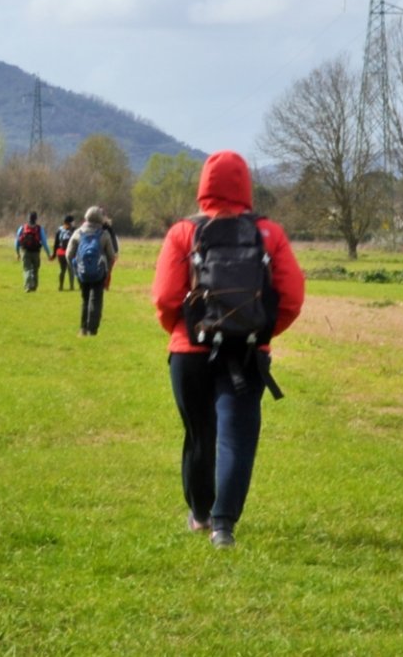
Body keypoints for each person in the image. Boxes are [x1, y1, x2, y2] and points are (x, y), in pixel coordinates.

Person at [151, 150, 305, 549]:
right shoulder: (269, 233)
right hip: (248, 352)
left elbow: (166, 298)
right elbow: (291, 297)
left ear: (204, 184)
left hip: (190, 352)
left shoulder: (183, 232)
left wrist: (185, 332)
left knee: (199, 434)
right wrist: (261, 332)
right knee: (237, 437)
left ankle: (200, 515)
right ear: (246, 185)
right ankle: (224, 528)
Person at [66, 207, 117, 336]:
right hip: (99, 272)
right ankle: (92, 330)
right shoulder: (104, 234)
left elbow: (68, 254)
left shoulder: (78, 233)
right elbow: (112, 256)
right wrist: (108, 270)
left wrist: (76, 269)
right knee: (96, 300)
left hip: (82, 273)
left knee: (85, 299)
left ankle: (83, 329)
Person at [14, 212, 52, 292]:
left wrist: (17, 252)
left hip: (25, 251)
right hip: (36, 252)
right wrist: (49, 254)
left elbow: (17, 242)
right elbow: (44, 242)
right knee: (35, 270)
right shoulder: (39, 228)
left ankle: (27, 286)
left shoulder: (22, 228)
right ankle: (34, 286)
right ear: (36, 219)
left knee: (27, 269)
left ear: (28, 218)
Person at [53, 215, 77, 291]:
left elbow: (56, 243)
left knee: (62, 269)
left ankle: (60, 286)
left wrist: (54, 254)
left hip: (60, 253)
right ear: (71, 222)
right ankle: (71, 286)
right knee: (71, 270)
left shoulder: (59, 230)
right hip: (70, 252)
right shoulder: (73, 230)